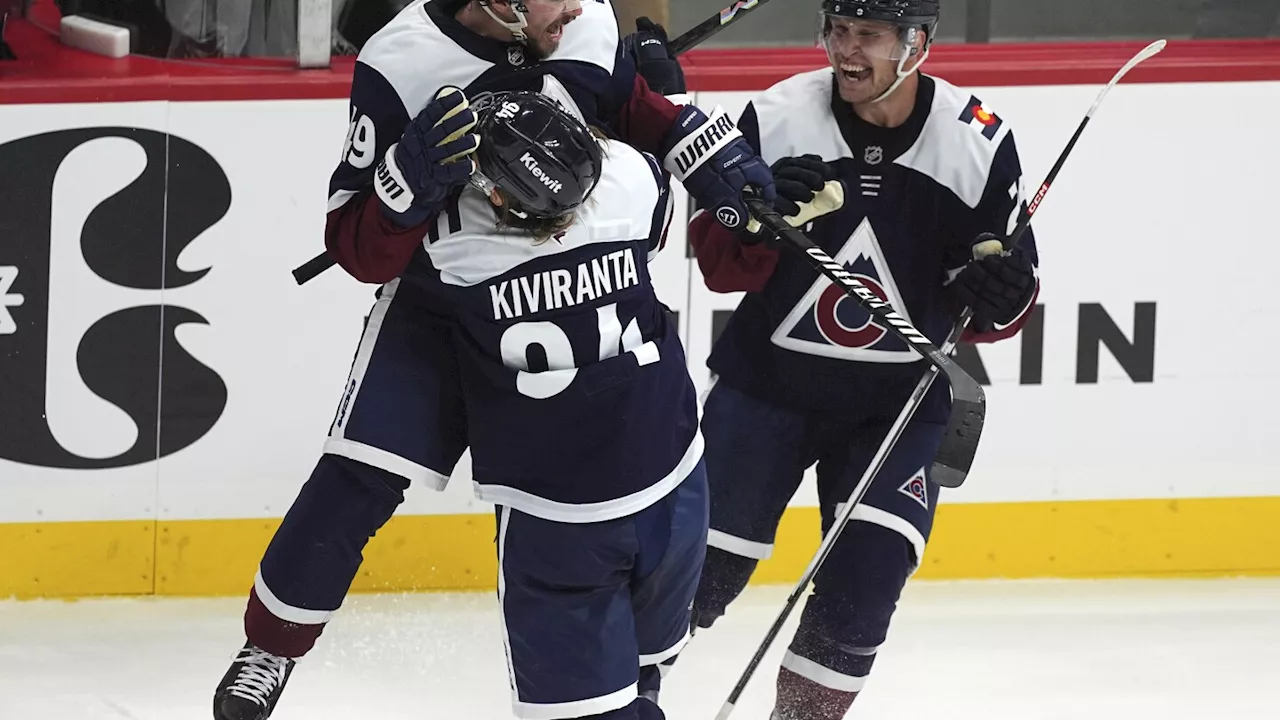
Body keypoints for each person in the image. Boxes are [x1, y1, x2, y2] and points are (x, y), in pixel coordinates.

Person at [211, 1, 773, 718]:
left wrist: (709, 148)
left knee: (609, 489)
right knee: (359, 475)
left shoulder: (586, 22)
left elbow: (644, 118)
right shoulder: (403, 59)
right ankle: (273, 644)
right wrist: (402, 193)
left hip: (555, 295)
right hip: (439, 306)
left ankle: (629, 677)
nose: (578, 4)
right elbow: (354, 246)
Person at [656, 1, 1042, 718]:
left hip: (897, 412)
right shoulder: (775, 118)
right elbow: (718, 267)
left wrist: (1002, 292)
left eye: (868, 34)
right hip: (766, 393)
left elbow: (1001, 303)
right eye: (838, 29)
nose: (846, 49)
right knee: (692, 576)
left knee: (863, 589)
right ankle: (618, 701)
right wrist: (764, 222)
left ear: (917, 43)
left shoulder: (978, 142)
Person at [420, 87, 707, 720]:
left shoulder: (456, 241)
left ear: (496, 197)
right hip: (672, 480)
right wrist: (670, 90)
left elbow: (386, 236)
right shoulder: (631, 182)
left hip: (554, 512)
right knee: (647, 668)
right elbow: (646, 176)